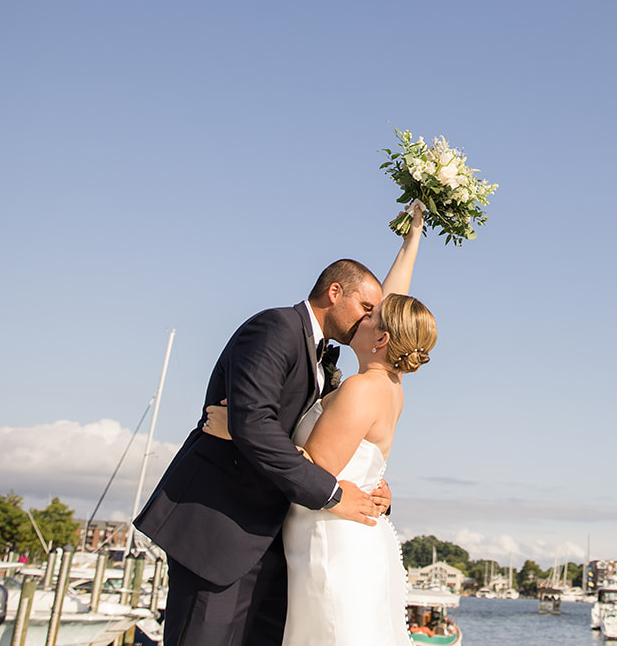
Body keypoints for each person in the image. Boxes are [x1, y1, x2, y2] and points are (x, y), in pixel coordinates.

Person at [134, 206, 424, 646]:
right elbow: (257, 421)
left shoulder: (354, 373)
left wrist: (241, 429)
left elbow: (262, 427)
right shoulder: (276, 327)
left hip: (281, 542)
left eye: (374, 316)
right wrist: (250, 431)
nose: (369, 318)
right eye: (365, 307)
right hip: (224, 527)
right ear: (334, 292)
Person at [208, 291, 438, 644]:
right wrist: (412, 239)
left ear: (382, 338)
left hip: (333, 541)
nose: (360, 319)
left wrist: (239, 429)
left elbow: (316, 468)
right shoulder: (392, 385)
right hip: (347, 533)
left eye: (369, 315)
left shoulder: (361, 389)